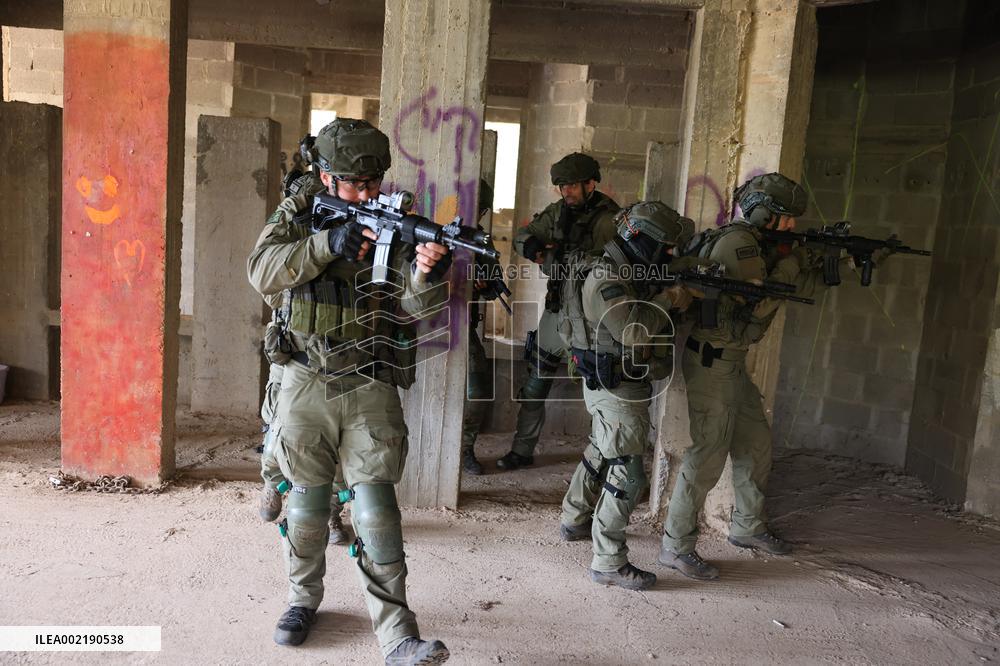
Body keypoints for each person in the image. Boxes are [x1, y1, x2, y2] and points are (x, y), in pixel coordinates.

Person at [247, 118, 452, 664]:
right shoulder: (297, 214)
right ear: (323, 176)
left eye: (372, 183)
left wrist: (428, 275)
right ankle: (301, 600)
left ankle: (397, 634)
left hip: (370, 376)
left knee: (377, 507)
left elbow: (420, 312)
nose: (365, 195)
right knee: (309, 506)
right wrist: (325, 242)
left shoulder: (396, 220)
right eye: (353, 184)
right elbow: (261, 272)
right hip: (305, 376)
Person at [658, 172, 825, 581]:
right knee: (708, 454)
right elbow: (759, 302)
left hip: (731, 363)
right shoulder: (741, 244)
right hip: (714, 364)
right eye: (785, 218)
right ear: (764, 212)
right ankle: (675, 547)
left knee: (756, 443)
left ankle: (747, 527)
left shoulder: (756, 243)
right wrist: (792, 262)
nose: (791, 226)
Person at [557, 201, 698, 591]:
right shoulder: (606, 278)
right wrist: (671, 299)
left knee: (602, 450)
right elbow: (634, 330)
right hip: (615, 388)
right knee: (628, 473)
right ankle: (608, 561)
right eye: (665, 246)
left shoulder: (627, 270)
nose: (670, 253)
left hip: (617, 385)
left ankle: (574, 517)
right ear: (642, 242)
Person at [497, 153, 620, 471]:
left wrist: (564, 258)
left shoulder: (610, 219)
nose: (566, 192)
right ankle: (522, 450)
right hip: (556, 312)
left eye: (572, 186)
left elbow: (615, 264)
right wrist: (536, 250)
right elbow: (524, 236)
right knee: (535, 382)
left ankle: (603, 460)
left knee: (600, 392)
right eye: (562, 186)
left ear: (591, 183)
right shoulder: (558, 213)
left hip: (591, 320)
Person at [257, 134, 351, 547]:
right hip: (294, 338)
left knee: (331, 446)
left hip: (339, 345)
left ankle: (329, 513)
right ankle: (272, 483)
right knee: (278, 431)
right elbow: (267, 273)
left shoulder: (355, 202)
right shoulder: (298, 206)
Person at [461, 180, 501, 475]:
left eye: (481, 209)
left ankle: (464, 449)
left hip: (462, 328)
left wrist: (484, 283)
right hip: (424, 329)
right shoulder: (429, 227)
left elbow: (496, 285)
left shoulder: (481, 241)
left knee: (478, 390)